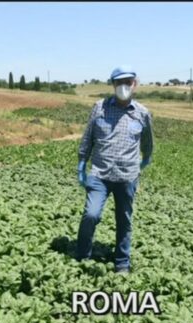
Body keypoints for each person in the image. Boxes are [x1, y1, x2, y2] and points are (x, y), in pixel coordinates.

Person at [76, 65, 154, 274]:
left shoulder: (142, 113)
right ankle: (82, 254)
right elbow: (88, 137)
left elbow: (147, 142)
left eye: (127, 82)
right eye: (119, 82)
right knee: (91, 214)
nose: (123, 86)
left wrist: (145, 159)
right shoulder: (99, 107)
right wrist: (82, 162)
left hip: (127, 176)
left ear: (134, 84)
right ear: (112, 84)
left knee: (124, 219)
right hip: (100, 174)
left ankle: (122, 262)